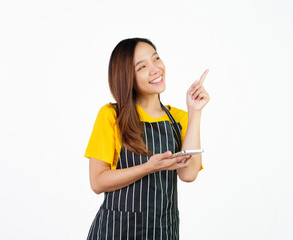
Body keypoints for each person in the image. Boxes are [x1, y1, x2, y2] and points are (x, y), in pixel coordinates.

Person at [84, 37, 210, 239]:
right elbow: (97, 182)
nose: (155, 69)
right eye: (142, 67)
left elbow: (188, 174)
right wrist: (149, 167)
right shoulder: (112, 115)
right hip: (116, 231)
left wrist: (195, 112)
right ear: (127, 77)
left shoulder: (179, 118)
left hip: (162, 231)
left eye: (156, 58)